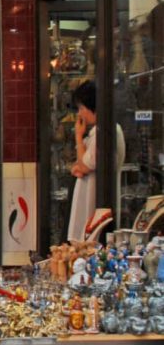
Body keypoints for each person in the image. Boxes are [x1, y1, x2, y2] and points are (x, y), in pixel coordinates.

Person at [67, 81, 125, 241]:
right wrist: (80, 165)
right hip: (89, 198)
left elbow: (84, 166)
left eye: (81, 108)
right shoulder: (97, 132)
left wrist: (78, 136)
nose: (80, 114)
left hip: (95, 201)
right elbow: (78, 165)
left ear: (91, 106)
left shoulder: (105, 133)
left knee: (91, 241)